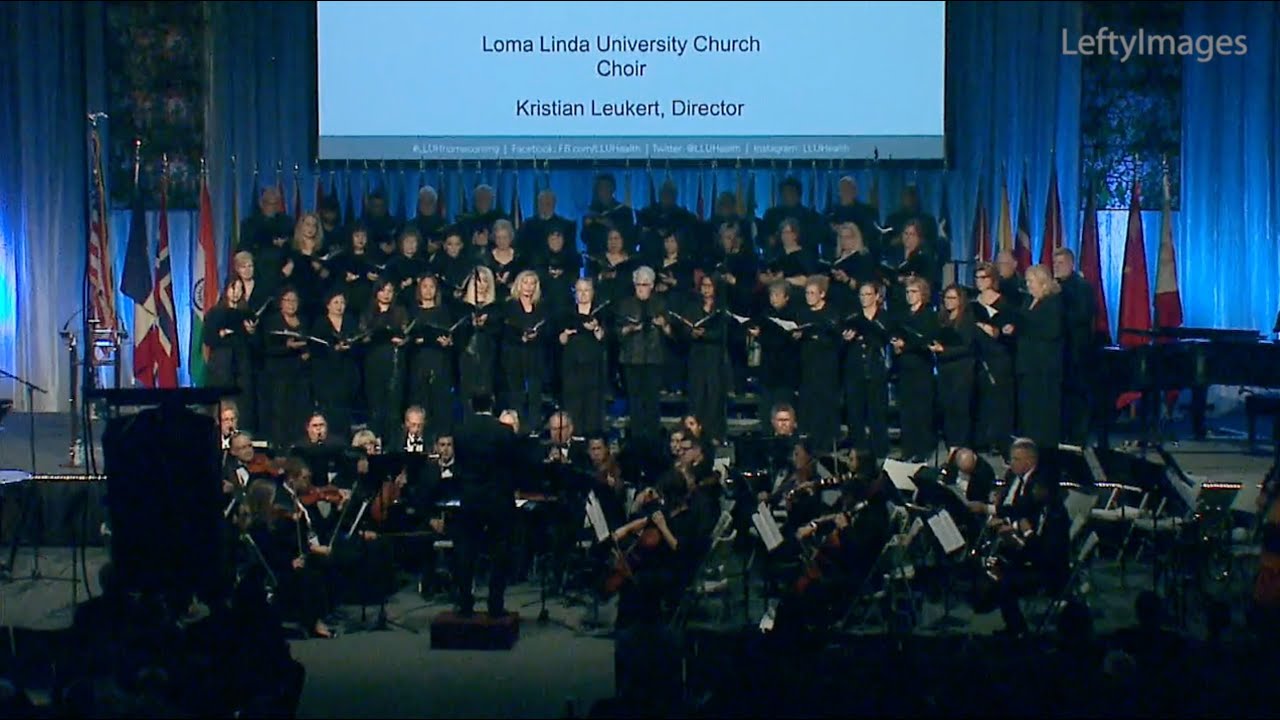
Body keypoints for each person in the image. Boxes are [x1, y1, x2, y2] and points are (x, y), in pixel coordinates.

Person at [451, 394, 519, 617]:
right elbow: (512, 465)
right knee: (500, 551)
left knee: (466, 551)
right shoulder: (504, 432)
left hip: (470, 499)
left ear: (471, 405)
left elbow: (460, 466)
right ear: (492, 404)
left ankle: (465, 602)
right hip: (498, 499)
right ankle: (495, 604)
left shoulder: (460, 431)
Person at [992, 469, 1070, 637]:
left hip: (1051, 573)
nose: (1033, 491)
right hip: (1039, 562)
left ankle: (1018, 630)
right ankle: (1014, 626)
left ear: (1046, 490)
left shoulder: (1057, 516)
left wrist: (1027, 534)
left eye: (1036, 488)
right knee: (1001, 567)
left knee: (1006, 583)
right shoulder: (1042, 507)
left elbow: (1047, 554)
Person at [615, 266, 673, 442]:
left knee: (652, 403)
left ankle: (653, 440)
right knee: (635, 403)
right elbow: (616, 332)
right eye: (638, 284)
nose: (641, 288)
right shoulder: (625, 304)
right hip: (632, 359)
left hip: (654, 359)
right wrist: (629, 328)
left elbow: (672, 334)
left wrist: (664, 325)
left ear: (652, 285)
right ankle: (637, 439)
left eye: (645, 285)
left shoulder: (661, 304)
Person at [1012, 265, 1065, 450]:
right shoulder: (1028, 300)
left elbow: (1052, 331)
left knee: (1043, 408)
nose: (1028, 285)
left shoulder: (1053, 302)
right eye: (1027, 281)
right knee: (1028, 407)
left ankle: (1044, 447)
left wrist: (1025, 325)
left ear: (1043, 283)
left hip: (1044, 366)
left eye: (1031, 281)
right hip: (1027, 362)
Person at [1052, 248, 1098, 446]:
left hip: (1078, 352)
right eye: (1055, 263)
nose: (1057, 267)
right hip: (1059, 352)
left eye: (1061, 263)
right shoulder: (1053, 287)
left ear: (1071, 264)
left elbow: (1083, 315)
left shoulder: (1082, 287)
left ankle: (1077, 438)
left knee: (1077, 397)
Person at [891, 277, 939, 462]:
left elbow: (926, 340)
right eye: (908, 292)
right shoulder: (903, 315)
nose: (909, 295)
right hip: (904, 367)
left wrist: (906, 345)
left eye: (913, 292)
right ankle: (908, 448)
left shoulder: (929, 315)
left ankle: (922, 449)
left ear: (923, 294)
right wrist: (896, 344)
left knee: (921, 410)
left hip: (921, 367)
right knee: (906, 410)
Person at [842, 281, 890, 459]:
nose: (864, 298)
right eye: (861, 295)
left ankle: (879, 451)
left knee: (877, 411)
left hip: (875, 368)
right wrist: (846, 339)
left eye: (868, 294)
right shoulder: (852, 318)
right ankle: (858, 450)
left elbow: (888, 338)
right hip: (855, 370)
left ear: (877, 296)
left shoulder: (885, 318)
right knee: (855, 412)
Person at [972, 262, 1016, 456]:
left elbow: (1007, 331)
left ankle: (1000, 441)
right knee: (982, 399)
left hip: (998, 355)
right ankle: (983, 440)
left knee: (999, 399)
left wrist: (992, 329)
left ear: (992, 279)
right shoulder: (973, 303)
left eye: (984, 278)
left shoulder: (1003, 303)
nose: (979, 282)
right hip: (978, 354)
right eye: (977, 278)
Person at [559, 278, 609, 436]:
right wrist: (565, 334)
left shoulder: (601, 313)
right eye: (579, 290)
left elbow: (605, 338)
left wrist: (596, 328)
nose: (583, 294)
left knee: (593, 405)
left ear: (592, 292)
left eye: (586, 290)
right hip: (572, 366)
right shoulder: (566, 313)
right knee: (573, 405)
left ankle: (592, 438)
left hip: (593, 366)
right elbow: (560, 341)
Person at [932, 284, 977, 450]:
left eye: (952, 298)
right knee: (947, 409)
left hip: (962, 371)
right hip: (945, 370)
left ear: (960, 300)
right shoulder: (942, 319)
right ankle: (951, 447)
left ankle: (962, 449)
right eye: (946, 298)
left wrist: (944, 350)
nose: (948, 301)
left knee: (960, 410)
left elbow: (968, 347)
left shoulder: (967, 320)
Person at [501, 270, 549, 429]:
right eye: (525, 282)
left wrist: (536, 335)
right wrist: (520, 338)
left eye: (532, 283)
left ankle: (534, 428)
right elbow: (504, 330)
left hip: (535, 355)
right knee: (516, 395)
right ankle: (517, 428)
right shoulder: (509, 305)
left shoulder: (541, 306)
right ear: (518, 285)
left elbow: (547, 330)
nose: (529, 286)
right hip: (515, 354)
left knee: (535, 394)